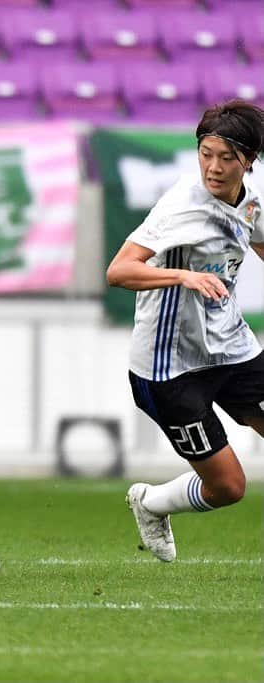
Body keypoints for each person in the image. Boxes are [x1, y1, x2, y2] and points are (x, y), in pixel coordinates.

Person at [106, 99, 264, 562]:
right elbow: (118, 271)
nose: (213, 167)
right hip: (168, 370)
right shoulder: (181, 207)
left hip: (231, 351)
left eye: (226, 157)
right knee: (229, 487)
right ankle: (151, 504)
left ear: (249, 161)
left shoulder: (252, 200)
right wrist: (183, 275)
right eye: (205, 153)